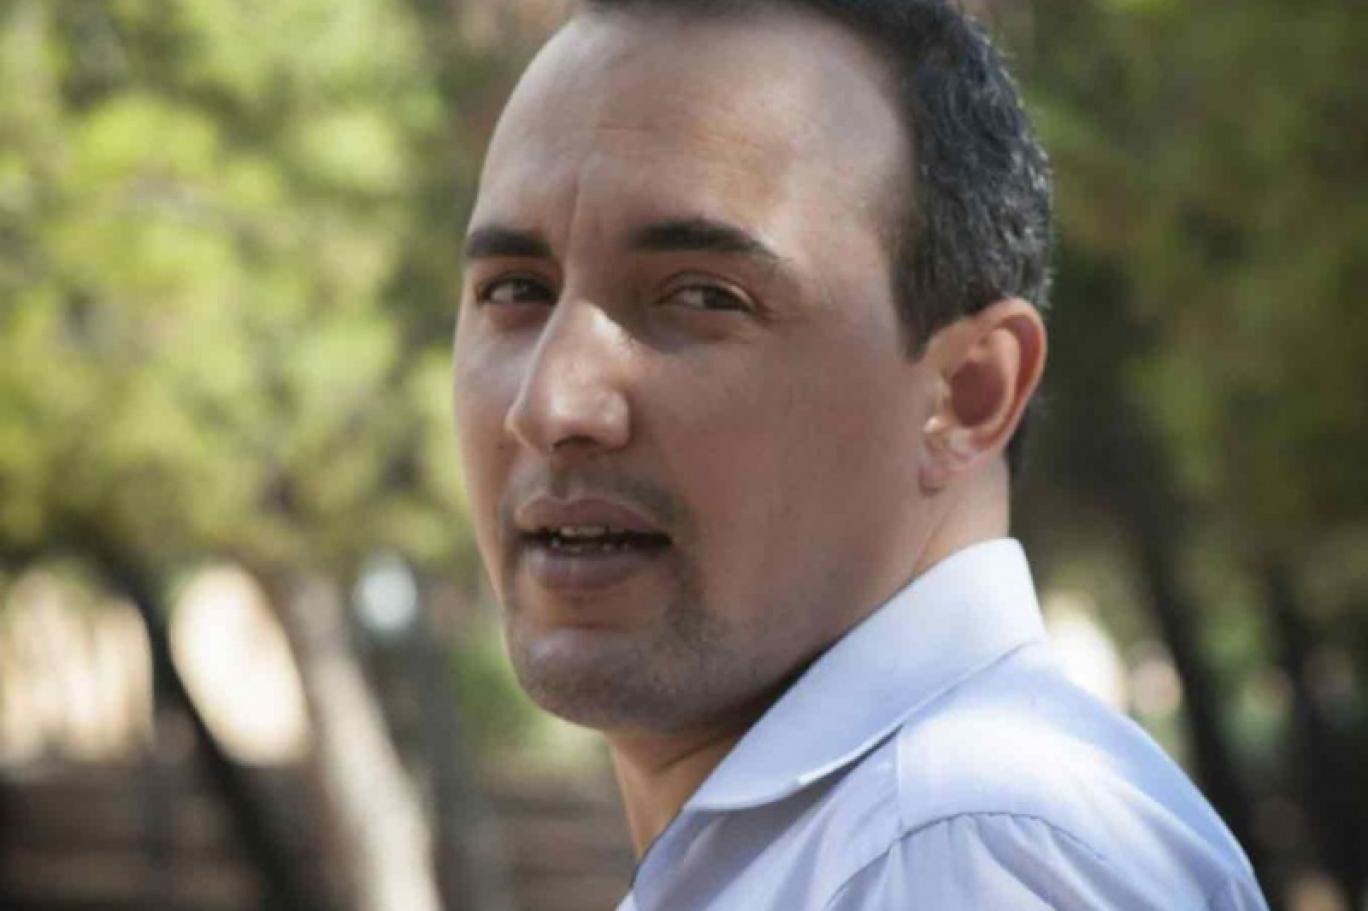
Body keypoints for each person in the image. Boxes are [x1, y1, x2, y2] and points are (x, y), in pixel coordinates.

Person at [451, 0, 1269, 907]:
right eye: (514, 290)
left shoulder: (954, 850)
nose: (552, 405)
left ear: (968, 394)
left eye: (703, 296)